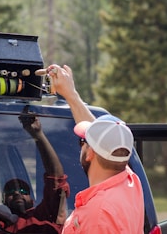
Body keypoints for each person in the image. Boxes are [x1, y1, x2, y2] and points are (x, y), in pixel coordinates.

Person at [47, 64, 144, 234]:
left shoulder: (98, 215)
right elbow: (102, 136)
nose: (81, 144)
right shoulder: (129, 181)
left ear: (91, 153)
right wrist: (71, 95)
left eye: (82, 141)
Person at [1, 108, 70, 233]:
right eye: (10, 191)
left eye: (23, 191)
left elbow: (55, 180)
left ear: (32, 200)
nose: (17, 193)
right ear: (3, 201)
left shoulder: (42, 217)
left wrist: (38, 135)